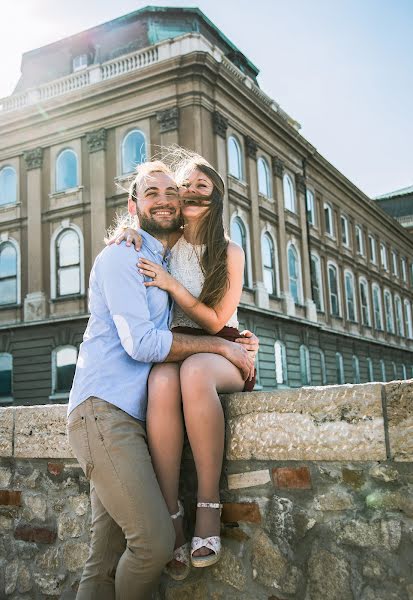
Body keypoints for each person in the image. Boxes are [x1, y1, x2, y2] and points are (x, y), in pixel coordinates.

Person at [67, 160, 255, 600]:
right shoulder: (123, 255)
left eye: (175, 191)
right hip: (104, 412)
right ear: (134, 206)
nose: (168, 198)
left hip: (131, 418)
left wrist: (233, 339)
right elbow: (143, 345)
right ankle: (178, 520)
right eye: (153, 192)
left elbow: (211, 310)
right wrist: (220, 348)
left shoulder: (165, 254)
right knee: (151, 545)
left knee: (104, 558)